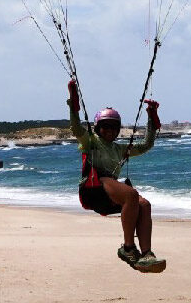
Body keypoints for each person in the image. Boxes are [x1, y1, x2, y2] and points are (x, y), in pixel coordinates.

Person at [67, 78, 166, 273]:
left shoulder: (119, 149)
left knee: (144, 205)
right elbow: (76, 128)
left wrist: (151, 118)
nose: (110, 131)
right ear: (98, 127)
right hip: (93, 189)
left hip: (108, 195)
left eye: (114, 127)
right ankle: (128, 248)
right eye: (105, 126)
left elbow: (145, 145)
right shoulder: (90, 142)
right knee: (131, 194)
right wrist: (73, 102)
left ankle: (146, 254)